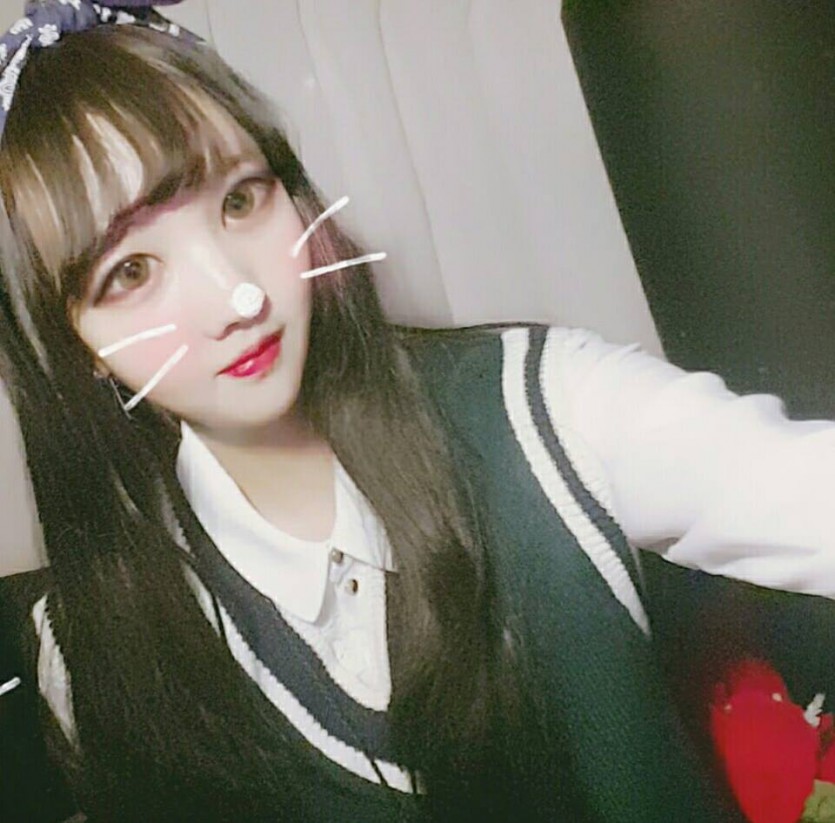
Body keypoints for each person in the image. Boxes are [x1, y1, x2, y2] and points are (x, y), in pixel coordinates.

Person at [0, 2, 833, 821]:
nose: (238, 296)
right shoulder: (90, 659)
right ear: (76, 346)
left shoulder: (549, 413)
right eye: (131, 271)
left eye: (241, 201)